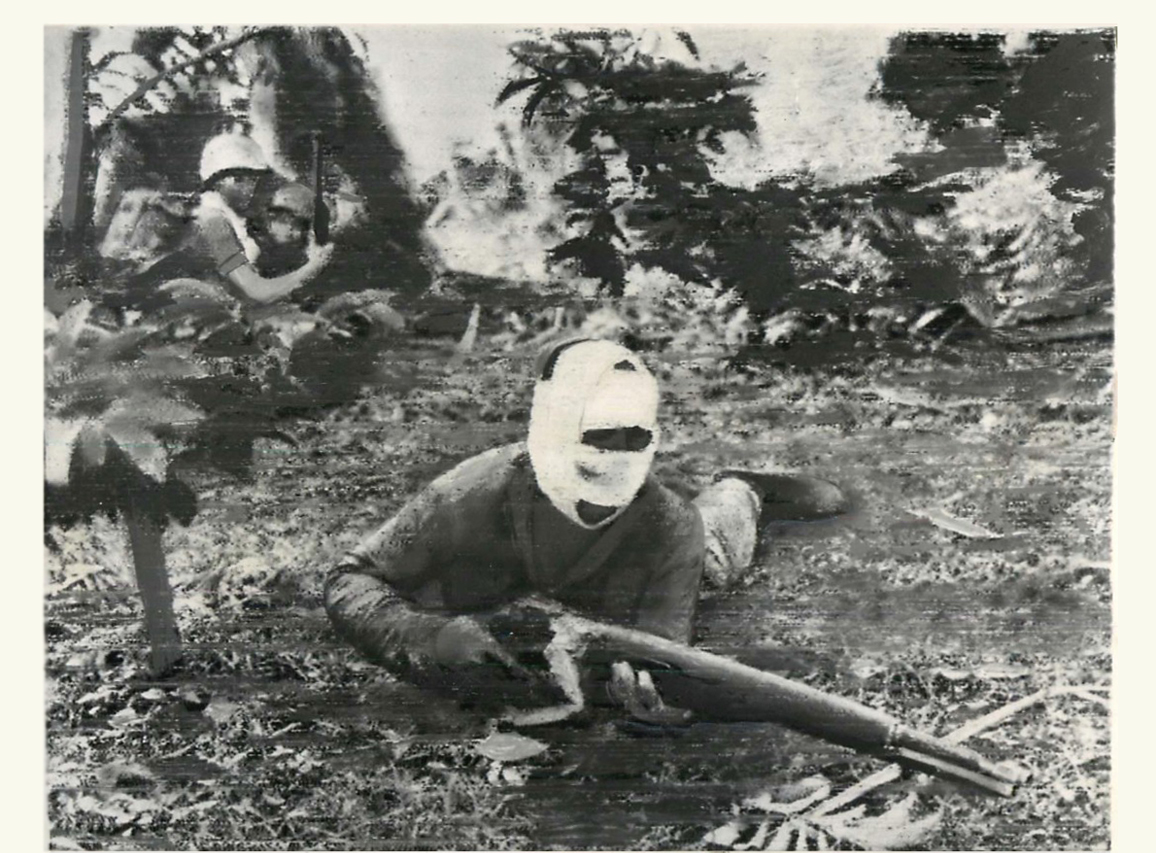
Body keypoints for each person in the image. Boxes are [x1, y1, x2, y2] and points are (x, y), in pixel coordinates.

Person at [324, 338, 846, 721]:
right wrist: (432, 637)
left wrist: (644, 690)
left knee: (714, 554)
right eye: (599, 435)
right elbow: (351, 581)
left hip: (634, 579)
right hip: (516, 596)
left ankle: (743, 488)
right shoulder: (474, 490)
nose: (614, 456)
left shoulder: (668, 524)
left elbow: (660, 647)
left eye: (633, 438)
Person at [135, 133, 332, 306]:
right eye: (249, 180)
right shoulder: (212, 222)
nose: (253, 189)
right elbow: (256, 291)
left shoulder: (216, 215)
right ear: (229, 179)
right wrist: (314, 266)